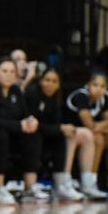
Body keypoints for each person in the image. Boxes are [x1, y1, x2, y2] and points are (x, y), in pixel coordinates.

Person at [0, 56, 45, 204]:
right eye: (4, 71)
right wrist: (18, 125)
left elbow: (24, 115)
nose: (8, 74)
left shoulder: (15, 90)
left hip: (12, 135)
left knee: (33, 134)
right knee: (0, 134)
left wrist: (31, 121)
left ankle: (30, 187)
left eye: (12, 71)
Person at [25, 67, 90, 202]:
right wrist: (60, 128)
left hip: (44, 134)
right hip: (26, 133)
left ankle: (61, 184)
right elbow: (34, 124)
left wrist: (60, 128)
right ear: (40, 81)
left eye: (54, 81)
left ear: (58, 84)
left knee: (61, 136)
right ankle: (30, 187)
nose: (50, 84)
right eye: (47, 80)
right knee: (37, 135)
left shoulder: (56, 99)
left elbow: (54, 123)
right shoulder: (32, 95)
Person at [63, 72, 108, 201]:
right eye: (95, 85)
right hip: (68, 130)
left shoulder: (106, 98)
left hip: (86, 134)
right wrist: (102, 126)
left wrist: (100, 126)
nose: (99, 89)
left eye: (103, 86)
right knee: (95, 136)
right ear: (88, 85)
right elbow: (89, 124)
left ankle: (91, 182)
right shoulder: (81, 95)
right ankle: (75, 182)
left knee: (100, 138)